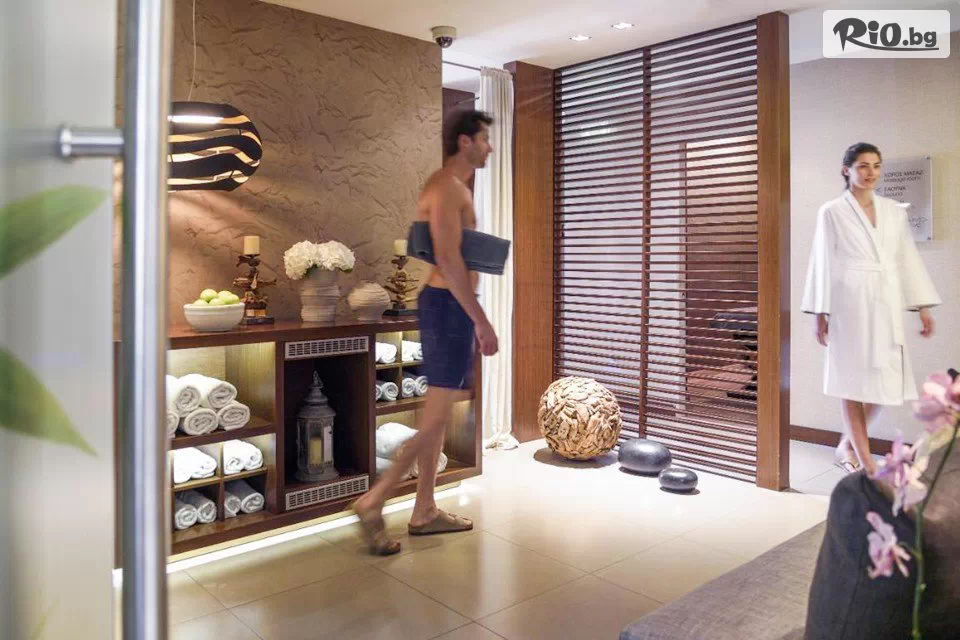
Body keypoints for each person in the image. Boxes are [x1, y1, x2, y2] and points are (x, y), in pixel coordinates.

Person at [352, 110, 499, 555]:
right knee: (435, 418)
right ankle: (373, 502)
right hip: (448, 307)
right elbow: (449, 262)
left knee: (438, 416)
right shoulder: (447, 187)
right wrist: (481, 320)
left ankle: (425, 510)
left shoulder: (449, 186)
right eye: (484, 139)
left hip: (447, 306)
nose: (490, 147)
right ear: (464, 142)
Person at [801, 142, 940, 475]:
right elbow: (822, 261)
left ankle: (846, 446)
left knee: (884, 383)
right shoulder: (832, 211)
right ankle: (867, 466)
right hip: (849, 303)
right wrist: (821, 313)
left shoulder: (893, 210)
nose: (871, 173)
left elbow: (906, 259)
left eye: (876, 166)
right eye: (863, 166)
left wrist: (922, 306)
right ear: (846, 170)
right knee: (851, 382)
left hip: (886, 302)